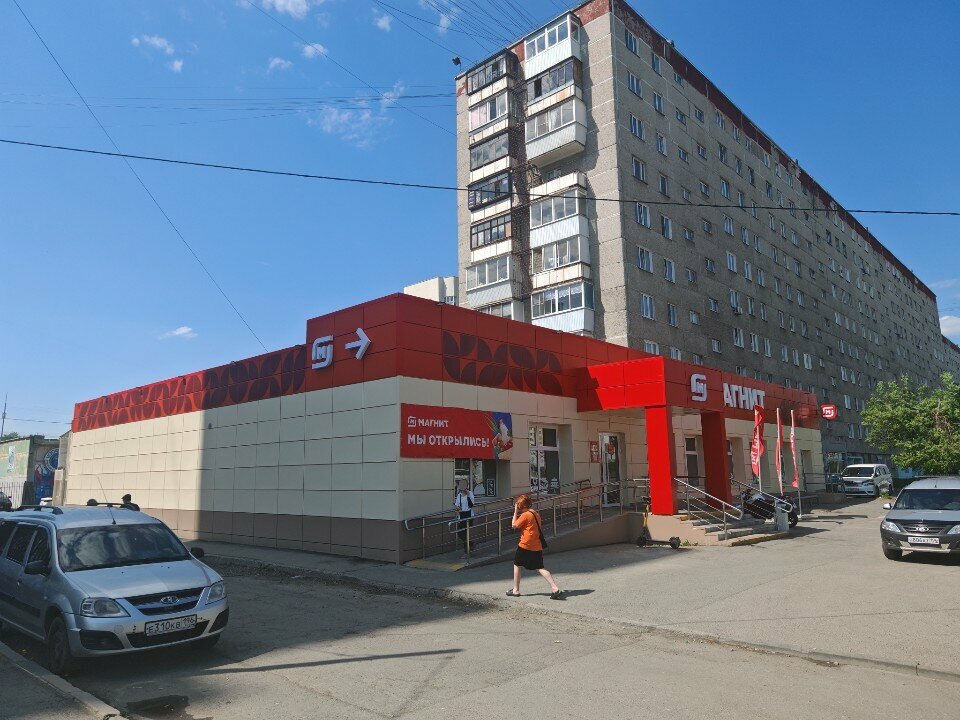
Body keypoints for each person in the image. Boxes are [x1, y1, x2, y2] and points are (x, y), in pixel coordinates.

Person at [507, 494, 562, 599]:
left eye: (518, 504)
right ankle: (555, 588)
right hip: (536, 545)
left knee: (517, 564)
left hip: (525, 545)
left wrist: (515, 511)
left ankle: (516, 590)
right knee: (540, 567)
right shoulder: (535, 513)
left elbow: (514, 525)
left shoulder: (525, 515)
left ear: (521, 505)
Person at [453, 479, 475, 558]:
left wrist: (467, 495)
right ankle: (471, 544)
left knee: (465, 533)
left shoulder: (470, 493)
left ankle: (466, 552)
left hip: (468, 516)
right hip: (461, 516)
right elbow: (457, 505)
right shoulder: (459, 495)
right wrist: (457, 508)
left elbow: (471, 505)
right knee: (460, 533)